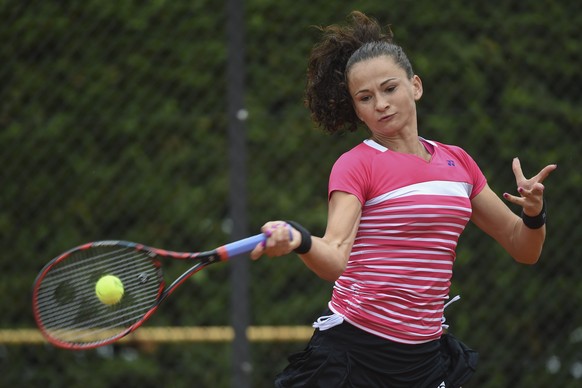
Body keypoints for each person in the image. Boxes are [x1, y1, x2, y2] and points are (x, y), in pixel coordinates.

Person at [250, 10, 556, 388]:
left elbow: (522, 247)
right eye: (365, 97)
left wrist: (534, 214)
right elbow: (333, 257)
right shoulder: (356, 165)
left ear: (415, 86)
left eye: (389, 88)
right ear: (357, 109)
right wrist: (300, 239)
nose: (380, 103)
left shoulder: (458, 162)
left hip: (424, 363)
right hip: (354, 355)